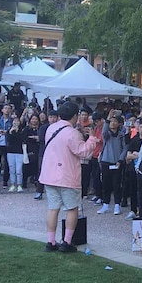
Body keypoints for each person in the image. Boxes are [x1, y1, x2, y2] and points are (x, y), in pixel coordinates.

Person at [39, 101, 100, 253]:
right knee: (72, 208)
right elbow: (83, 152)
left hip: (49, 174)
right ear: (75, 116)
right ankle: (66, 242)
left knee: (53, 208)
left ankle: (50, 242)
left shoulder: (51, 128)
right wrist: (92, 139)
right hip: (67, 176)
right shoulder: (72, 133)